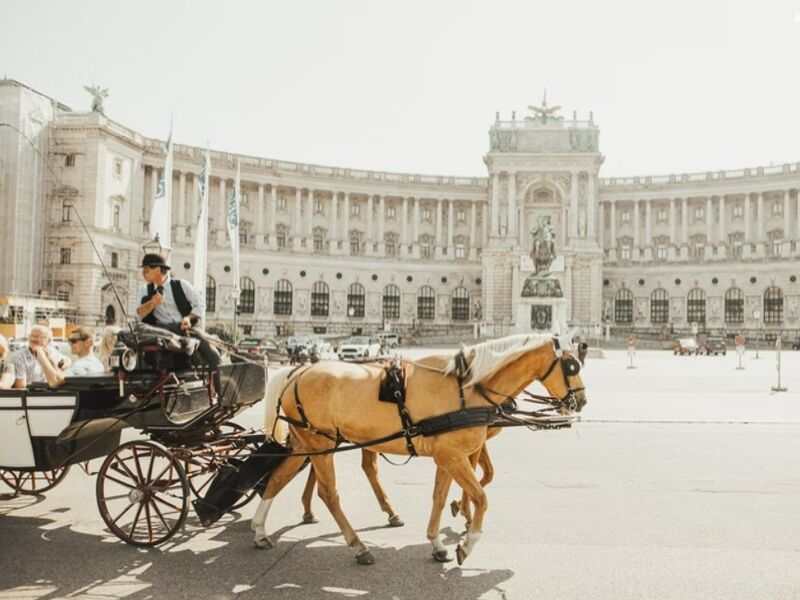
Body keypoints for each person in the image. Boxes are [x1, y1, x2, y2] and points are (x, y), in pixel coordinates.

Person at [136, 253, 221, 369]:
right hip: (162, 331)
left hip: (185, 328)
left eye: (146, 270)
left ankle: (218, 380)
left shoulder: (181, 284)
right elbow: (139, 313)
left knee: (212, 354)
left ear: (158, 270)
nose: (143, 273)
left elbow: (200, 304)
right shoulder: (145, 290)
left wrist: (188, 318)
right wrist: (152, 303)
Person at [36, 326, 104, 388]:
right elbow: (61, 376)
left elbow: (55, 381)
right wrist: (50, 360)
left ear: (89, 342)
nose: (70, 344)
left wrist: (42, 357)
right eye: (69, 341)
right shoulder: (97, 364)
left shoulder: (82, 365)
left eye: (73, 341)